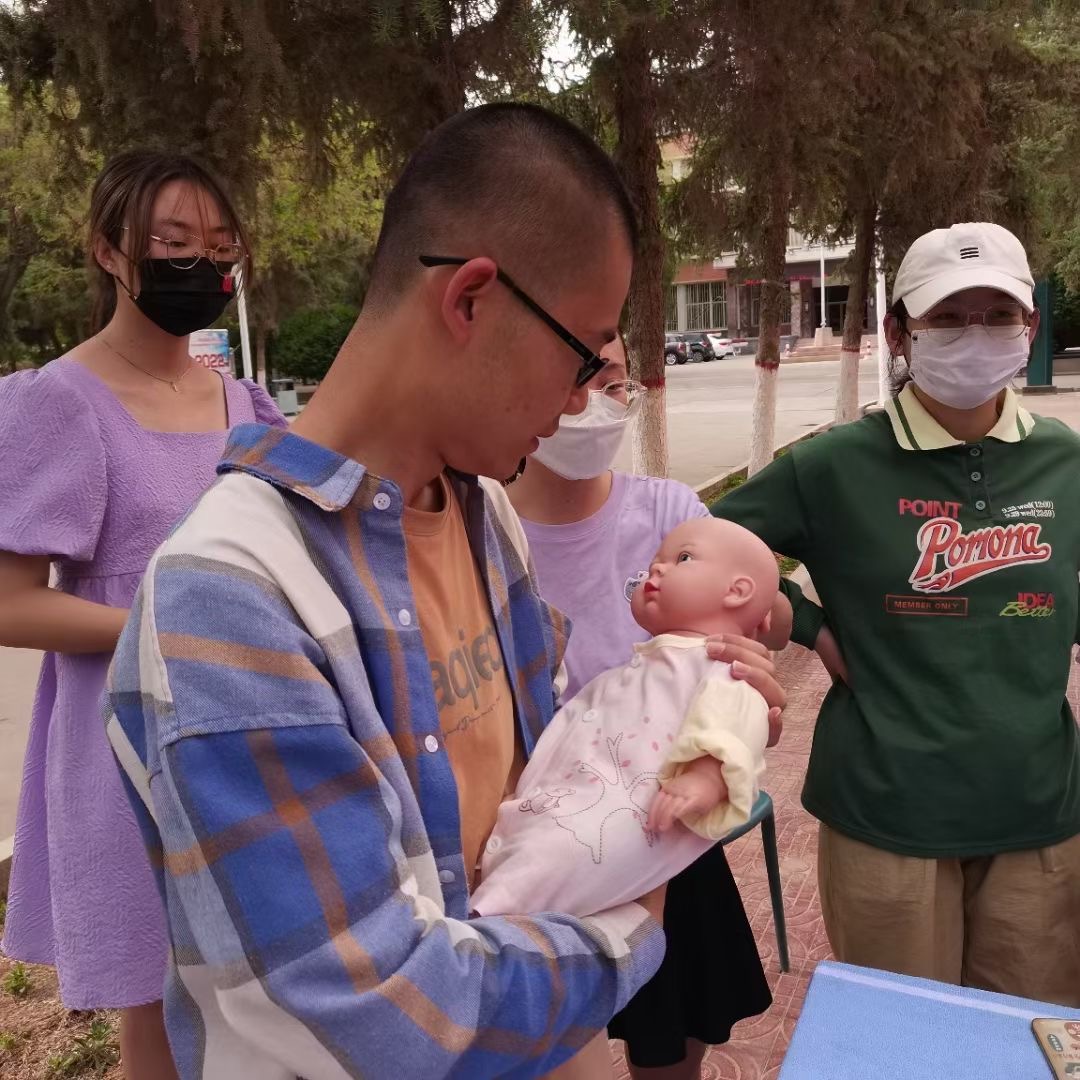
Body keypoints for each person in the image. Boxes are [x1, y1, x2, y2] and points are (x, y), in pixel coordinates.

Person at [103, 103, 786, 1080]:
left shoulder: (482, 515)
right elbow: (372, 1013)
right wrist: (638, 916)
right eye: (582, 357)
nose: (581, 400)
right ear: (470, 300)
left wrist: (688, 711)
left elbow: (540, 788)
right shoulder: (227, 599)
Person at [715, 221, 1080, 1005]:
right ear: (898, 332)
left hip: (1039, 816)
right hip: (886, 816)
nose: (975, 334)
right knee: (905, 1044)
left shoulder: (1066, 461)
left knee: (1026, 1045)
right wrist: (807, 625)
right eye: (948, 317)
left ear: (1030, 326)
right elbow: (701, 551)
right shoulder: (832, 465)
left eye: (998, 315)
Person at [0, 151, 285, 1078]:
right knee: (162, 1010)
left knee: (267, 992)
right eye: (173, 243)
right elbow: (9, 604)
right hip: (127, 749)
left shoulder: (244, 404)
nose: (201, 265)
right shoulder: (61, 401)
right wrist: (167, 623)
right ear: (108, 250)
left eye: (220, 246)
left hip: (249, 733)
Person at [506, 334, 778, 1079]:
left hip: (658, 827)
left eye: (615, 380)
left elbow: (750, 636)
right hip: (538, 834)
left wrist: (746, 700)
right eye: (578, 373)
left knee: (670, 1041)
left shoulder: (671, 515)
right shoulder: (479, 527)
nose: (595, 398)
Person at [472, 517, 777, 919]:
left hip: (623, 819)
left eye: (683, 558)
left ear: (737, 591)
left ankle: (485, 920)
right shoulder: (630, 671)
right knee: (528, 851)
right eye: (652, 563)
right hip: (556, 804)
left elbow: (737, 722)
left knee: (554, 861)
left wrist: (706, 777)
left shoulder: (721, 666)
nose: (657, 569)